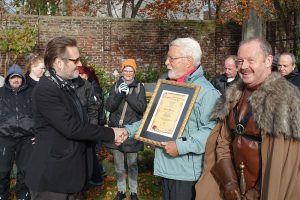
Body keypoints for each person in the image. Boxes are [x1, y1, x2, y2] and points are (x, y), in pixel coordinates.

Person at [195, 37, 300, 200]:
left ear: (268, 60)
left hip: (268, 190)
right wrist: (229, 183)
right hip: (232, 188)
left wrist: (256, 192)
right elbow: (223, 141)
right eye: (240, 61)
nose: (243, 67)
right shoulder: (233, 96)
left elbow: (284, 161)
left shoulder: (286, 100)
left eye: (251, 60)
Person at [25, 36, 127, 200]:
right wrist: (110, 133)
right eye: (75, 60)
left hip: (70, 178)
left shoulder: (67, 85)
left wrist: (107, 137)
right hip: (52, 181)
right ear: (59, 62)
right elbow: (72, 128)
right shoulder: (46, 89)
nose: (80, 64)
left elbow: (83, 123)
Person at [125, 38, 220, 200]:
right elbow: (153, 119)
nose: (166, 62)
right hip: (167, 167)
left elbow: (212, 131)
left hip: (186, 173)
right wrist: (127, 130)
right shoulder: (170, 86)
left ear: (188, 61)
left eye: (172, 58)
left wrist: (180, 146)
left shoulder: (207, 93)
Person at [105, 58, 147, 200]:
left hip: (131, 132)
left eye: (131, 71)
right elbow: (109, 107)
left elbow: (142, 109)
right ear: (122, 71)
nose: (128, 73)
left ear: (134, 72)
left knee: (133, 164)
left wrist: (128, 95)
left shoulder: (140, 87)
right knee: (118, 165)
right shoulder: (116, 86)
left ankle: (133, 191)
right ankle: (121, 190)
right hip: (116, 130)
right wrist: (119, 94)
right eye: (125, 70)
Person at [0, 64, 34, 200]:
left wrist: (38, 132)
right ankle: (2, 195)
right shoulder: (1, 93)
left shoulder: (31, 92)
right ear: (8, 78)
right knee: (2, 170)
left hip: (26, 138)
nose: (16, 80)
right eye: (13, 77)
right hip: (4, 137)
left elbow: (40, 114)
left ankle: (23, 196)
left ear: (22, 79)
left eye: (18, 77)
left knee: (25, 170)